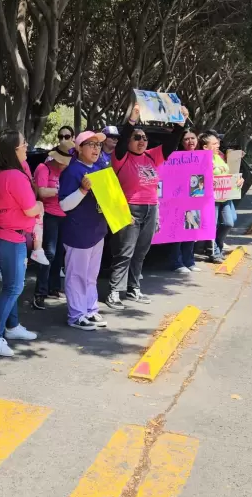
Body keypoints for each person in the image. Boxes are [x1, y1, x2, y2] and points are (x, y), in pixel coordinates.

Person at [105, 104, 188, 310]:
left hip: (151, 208)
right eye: (137, 137)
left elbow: (172, 142)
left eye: (144, 138)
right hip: (129, 209)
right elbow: (123, 140)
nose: (142, 141)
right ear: (129, 141)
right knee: (125, 251)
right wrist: (131, 120)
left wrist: (181, 122)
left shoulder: (152, 156)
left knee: (141, 252)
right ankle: (115, 291)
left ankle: (134, 288)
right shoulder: (121, 157)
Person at [0, 130, 41, 355]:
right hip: (11, 236)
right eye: (24, 144)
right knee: (14, 287)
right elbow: (31, 208)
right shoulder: (14, 176)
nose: (27, 147)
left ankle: (12, 326)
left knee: (10, 285)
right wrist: (40, 208)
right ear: (14, 150)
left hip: (4, 234)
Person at [58, 131, 110, 330]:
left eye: (98, 145)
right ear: (79, 148)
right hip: (79, 233)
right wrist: (82, 190)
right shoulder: (72, 172)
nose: (96, 148)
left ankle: (90, 309)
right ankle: (77, 314)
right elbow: (64, 205)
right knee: (77, 275)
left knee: (90, 275)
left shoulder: (99, 167)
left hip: (96, 231)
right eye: (91, 144)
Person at [31, 140, 74, 310]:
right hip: (49, 214)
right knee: (49, 253)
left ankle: (54, 287)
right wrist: (61, 191)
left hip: (65, 214)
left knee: (59, 254)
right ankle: (39, 293)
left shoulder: (68, 170)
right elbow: (41, 191)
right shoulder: (44, 168)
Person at [201, 131, 238, 263]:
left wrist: (237, 181)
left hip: (225, 197)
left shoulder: (218, 157)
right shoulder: (202, 160)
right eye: (215, 143)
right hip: (212, 199)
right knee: (212, 225)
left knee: (229, 223)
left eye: (218, 143)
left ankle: (217, 246)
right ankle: (214, 252)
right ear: (205, 147)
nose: (218, 145)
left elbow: (228, 174)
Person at [171, 130, 201, 274]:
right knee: (177, 233)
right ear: (181, 142)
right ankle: (177, 262)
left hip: (195, 199)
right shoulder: (175, 157)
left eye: (193, 138)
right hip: (177, 200)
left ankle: (189, 261)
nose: (190, 141)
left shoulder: (202, 157)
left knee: (192, 230)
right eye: (186, 139)